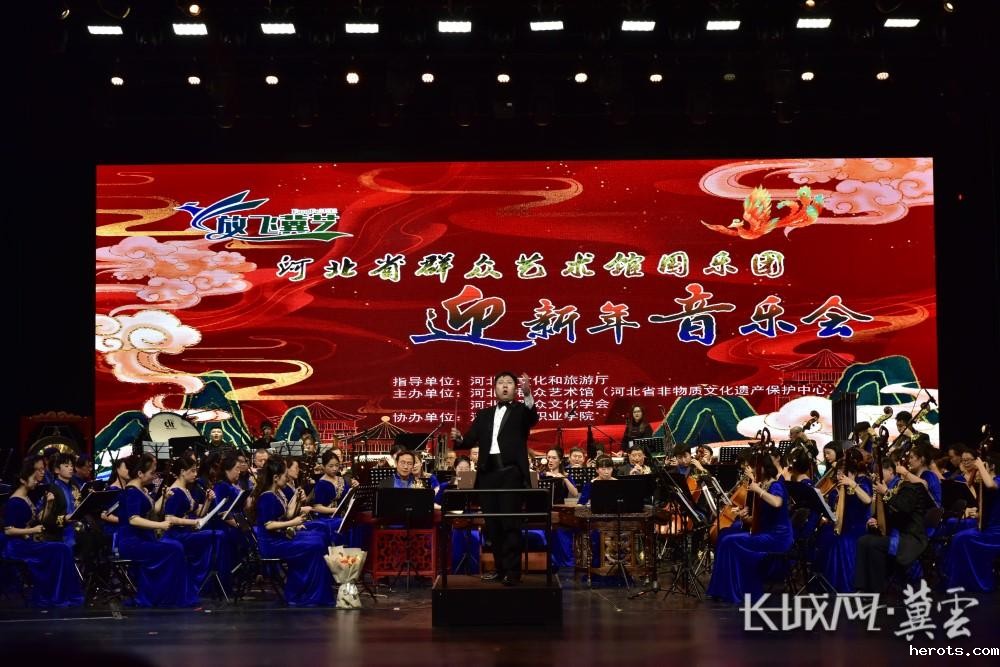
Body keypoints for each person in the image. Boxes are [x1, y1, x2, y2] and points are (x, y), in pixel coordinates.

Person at [451, 371, 538, 586]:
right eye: (501, 383)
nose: (505, 386)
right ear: (495, 388)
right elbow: (469, 440)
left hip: (510, 474)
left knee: (510, 524)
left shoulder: (521, 411)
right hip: (487, 475)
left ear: (515, 388)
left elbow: (532, 417)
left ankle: (513, 572)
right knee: (493, 525)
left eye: (509, 383)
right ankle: (500, 569)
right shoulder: (484, 414)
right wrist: (459, 438)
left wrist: (528, 394)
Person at [706, 455, 793, 603]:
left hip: (777, 537)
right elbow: (762, 517)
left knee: (729, 541)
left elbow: (777, 503)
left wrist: (758, 490)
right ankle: (724, 589)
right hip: (765, 532)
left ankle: (733, 590)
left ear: (763, 468)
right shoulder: (764, 485)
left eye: (753, 467)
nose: (751, 470)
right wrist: (746, 518)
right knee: (725, 538)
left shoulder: (775, 485)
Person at [116, 453, 198, 607]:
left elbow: (153, 509)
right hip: (132, 543)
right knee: (174, 548)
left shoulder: (141, 489)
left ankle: (167, 595)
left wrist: (164, 497)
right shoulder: (132, 492)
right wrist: (160, 525)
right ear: (140, 473)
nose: (154, 476)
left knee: (175, 547)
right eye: (152, 473)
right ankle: (165, 596)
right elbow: (133, 520)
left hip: (143, 539)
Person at [251, 458, 334, 606]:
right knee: (316, 545)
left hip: (279, 538)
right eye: (284, 475)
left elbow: (288, 513)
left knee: (320, 538)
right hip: (272, 544)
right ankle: (304, 592)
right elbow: (269, 525)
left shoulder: (276, 493)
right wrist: (293, 523)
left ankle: (310, 589)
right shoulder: (267, 497)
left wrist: (297, 499)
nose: (287, 477)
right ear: (275, 478)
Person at [2, 459, 84, 607]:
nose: (36, 481)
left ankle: (62, 592)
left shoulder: (27, 497)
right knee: (60, 549)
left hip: (27, 542)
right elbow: (8, 530)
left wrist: (49, 504)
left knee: (62, 549)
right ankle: (56, 594)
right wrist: (32, 530)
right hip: (17, 547)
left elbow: (39, 519)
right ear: (23, 480)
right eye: (33, 478)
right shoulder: (15, 501)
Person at [854, 450, 936, 593]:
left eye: (879, 472)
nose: (875, 475)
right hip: (892, 533)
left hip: (909, 537)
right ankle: (863, 587)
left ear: (891, 471)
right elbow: (885, 515)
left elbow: (903, 508)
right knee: (863, 540)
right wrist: (875, 520)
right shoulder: (883, 489)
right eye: (874, 473)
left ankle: (877, 590)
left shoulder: (908, 487)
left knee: (871, 543)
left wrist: (886, 493)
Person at [813, 447, 873, 592]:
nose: (838, 475)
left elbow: (867, 500)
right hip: (845, 525)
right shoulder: (842, 486)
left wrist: (852, 484)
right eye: (838, 472)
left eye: (841, 473)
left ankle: (843, 586)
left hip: (858, 527)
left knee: (840, 543)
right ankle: (822, 582)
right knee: (824, 536)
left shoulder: (863, 482)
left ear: (851, 472)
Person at [943, 452, 1000, 591]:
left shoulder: (997, 480)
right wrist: (978, 514)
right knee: (959, 537)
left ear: (992, 466)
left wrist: (979, 466)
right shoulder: (987, 482)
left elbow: (991, 485)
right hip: (988, 528)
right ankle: (959, 579)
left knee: (962, 538)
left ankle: (977, 582)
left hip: (996, 532)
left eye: (985, 466)